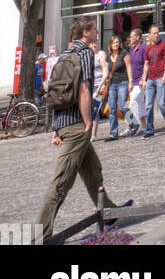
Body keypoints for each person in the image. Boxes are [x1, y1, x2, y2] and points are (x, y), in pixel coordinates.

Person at [35, 17, 124, 241]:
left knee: (92, 169)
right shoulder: (85, 54)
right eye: (94, 29)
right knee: (61, 180)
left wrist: (56, 127)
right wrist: (87, 123)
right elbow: (84, 90)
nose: (97, 33)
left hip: (64, 123)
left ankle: (108, 210)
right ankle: (39, 234)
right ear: (86, 32)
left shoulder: (64, 55)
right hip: (76, 126)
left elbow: (57, 92)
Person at [141, 25, 165, 137]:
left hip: (160, 77)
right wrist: (144, 79)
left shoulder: (164, 45)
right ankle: (149, 130)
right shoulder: (147, 48)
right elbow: (146, 64)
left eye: (157, 33)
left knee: (161, 103)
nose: (156, 35)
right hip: (150, 79)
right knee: (148, 105)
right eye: (154, 33)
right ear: (149, 35)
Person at [103, 35, 133, 141]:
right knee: (111, 109)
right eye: (114, 43)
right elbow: (106, 72)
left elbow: (129, 67)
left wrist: (130, 82)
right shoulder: (108, 56)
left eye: (117, 42)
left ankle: (133, 123)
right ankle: (113, 133)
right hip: (111, 84)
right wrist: (102, 84)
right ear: (110, 45)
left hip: (122, 82)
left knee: (122, 106)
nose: (116, 44)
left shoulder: (124, 53)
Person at [124, 27, 146, 135]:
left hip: (140, 81)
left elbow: (146, 64)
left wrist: (143, 79)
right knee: (139, 105)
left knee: (132, 103)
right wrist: (130, 80)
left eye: (132, 36)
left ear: (138, 37)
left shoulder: (143, 48)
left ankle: (134, 124)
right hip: (133, 80)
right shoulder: (132, 48)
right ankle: (143, 126)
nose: (130, 38)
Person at [90, 39, 107, 140]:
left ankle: (133, 122)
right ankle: (92, 134)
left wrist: (102, 84)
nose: (94, 45)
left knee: (116, 107)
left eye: (95, 43)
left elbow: (105, 69)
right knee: (94, 110)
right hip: (91, 86)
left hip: (99, 85)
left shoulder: (101, 54)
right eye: (92, 43)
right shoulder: (88, 55)